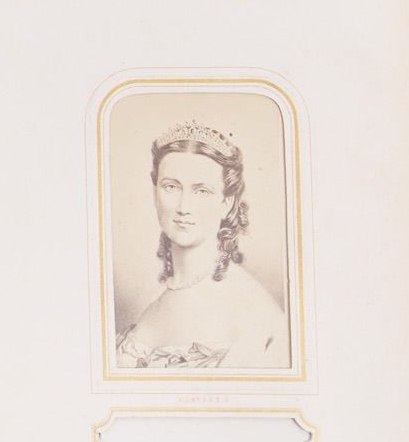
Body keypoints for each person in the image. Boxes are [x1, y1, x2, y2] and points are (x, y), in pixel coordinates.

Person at [116, 120, 288, 369]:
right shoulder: (163, 298)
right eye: (171, 187)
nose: (184, 207)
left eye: (202, 191)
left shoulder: (256, 313)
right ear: (155, 194)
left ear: (226, 203)